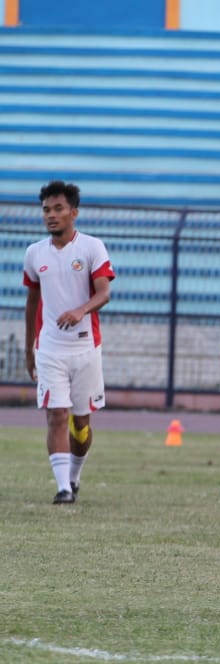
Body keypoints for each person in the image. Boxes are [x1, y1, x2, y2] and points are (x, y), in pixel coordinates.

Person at [22, 181, 115, 504]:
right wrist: (29, 349)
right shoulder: (34, 253)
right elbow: (32, 302)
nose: (51, 215)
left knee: (81, 422)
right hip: (49, 348)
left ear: (73, 213)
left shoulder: (91, 248)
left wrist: (80, 310)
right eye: (46, 209)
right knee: (55, 415)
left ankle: (74, 478)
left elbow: (104, 292)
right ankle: (62, 489)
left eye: (58, 209)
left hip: (86, 348)